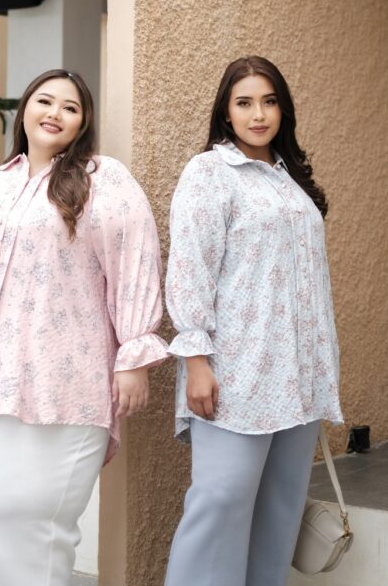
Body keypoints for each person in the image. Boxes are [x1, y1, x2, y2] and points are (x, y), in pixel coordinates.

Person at [0, 69, 168, 586]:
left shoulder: (103, 180)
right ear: (24, 110)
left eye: (70, 107)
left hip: (59, 383)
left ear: (83, 123)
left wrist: (135, 353)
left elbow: (135, 262)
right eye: (44, 101)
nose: (55, 113)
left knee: (22, 520)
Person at [163, 56, 344, 586]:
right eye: (244, 103)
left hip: (299, 375)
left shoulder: (290, 179)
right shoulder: (209, 173)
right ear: (226, 112)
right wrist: (197, 360)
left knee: (281, 507)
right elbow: (191, 268)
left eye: (269, 101)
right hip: (236, 372)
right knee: (221, 499)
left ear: (283, 109)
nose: (258, 114)